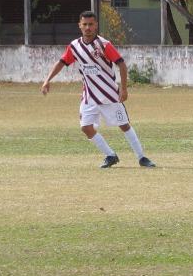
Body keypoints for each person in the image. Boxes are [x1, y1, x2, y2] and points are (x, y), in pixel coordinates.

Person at [41, 10, 155, 169]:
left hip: (110, 94)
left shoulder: (103, 44)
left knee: (124, 125)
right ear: (79, 25)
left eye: (91, 24)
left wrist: (124, 89)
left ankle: (142, 157)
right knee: (86, 127)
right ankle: (110, 155)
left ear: (96, 26)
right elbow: (61, 62)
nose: (87, 27)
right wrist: (47, 80)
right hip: (89, 96)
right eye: (85, 24)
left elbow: (121, 64)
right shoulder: (74, 46)